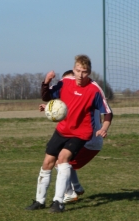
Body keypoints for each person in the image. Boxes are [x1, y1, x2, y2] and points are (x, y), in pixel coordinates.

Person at [26, 54, 113, 213]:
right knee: (47, 163)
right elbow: (47, 97)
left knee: (63, 159)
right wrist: (46, 82)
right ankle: (39, 201)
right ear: (73, 70)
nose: (80, 75)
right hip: (62, 130)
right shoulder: (65, 82)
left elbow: (108, 113)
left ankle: (58, 202)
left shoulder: (94, 90)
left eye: (84, 72)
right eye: (78, 71)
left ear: (89, 72)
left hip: (80, 133)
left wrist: (104, 128)